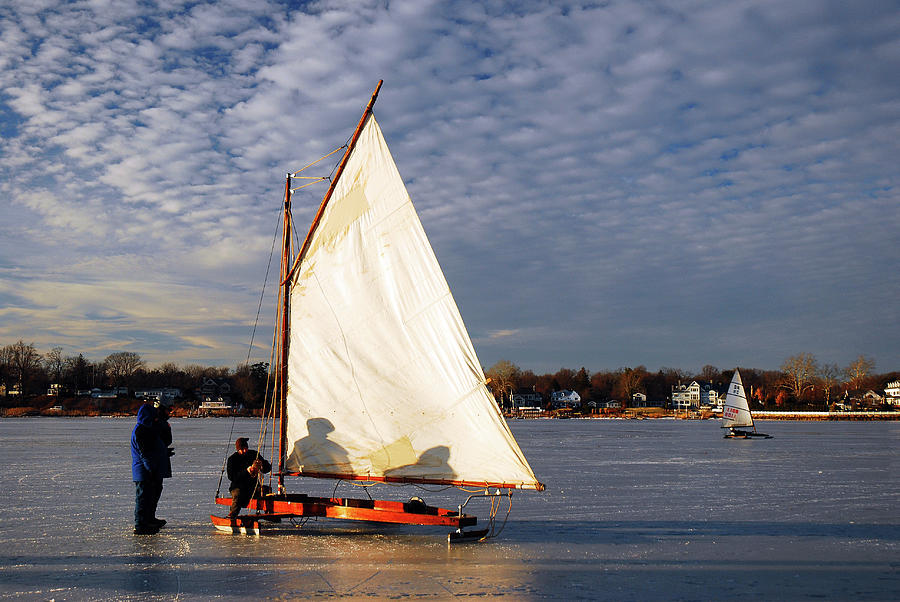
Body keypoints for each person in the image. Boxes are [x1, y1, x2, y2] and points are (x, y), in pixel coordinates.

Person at [131, 403, 173, 534]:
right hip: (144, 471)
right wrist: (151, 468)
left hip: (152, 469)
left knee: (152, 495)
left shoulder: (149, 429)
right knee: (143, 497)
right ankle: (140, 525)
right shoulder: (141, 430)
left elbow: (156, 446)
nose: (156, 419)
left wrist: (164, 452)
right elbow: (145, 453)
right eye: (154, 417)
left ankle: (149, 519)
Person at [226, 437, 271, 518]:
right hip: (238, 487)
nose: (244, 451)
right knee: (238, 494)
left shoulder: (254, 454)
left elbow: (267, 469)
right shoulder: (232, 459)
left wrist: (262, 465)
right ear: (238, 449)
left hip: (253, 487)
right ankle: (232, 515)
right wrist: (247, 471)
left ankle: (269, 514)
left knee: (267, 490)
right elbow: (232, 477)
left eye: (246, 448)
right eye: (242, 449)